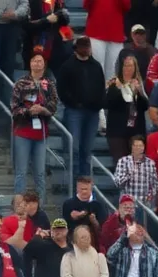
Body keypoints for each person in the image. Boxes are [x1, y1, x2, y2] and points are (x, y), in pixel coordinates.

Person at [58, 37, 106, 180]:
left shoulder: (96, 66)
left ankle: (84, 182)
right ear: (76, 48)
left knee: (87, 150)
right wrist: (73, 103)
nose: (86, 49)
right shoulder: (67, 66)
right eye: (83, 47)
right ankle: (74, 182)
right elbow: (62, 89)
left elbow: (101, 88)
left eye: (87, 46)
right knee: (75, 149)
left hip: (92, 112)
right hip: (74, 111)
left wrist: (98, 104)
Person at [11, 53, 57, 199]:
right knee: (21, 171)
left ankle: (40, 207)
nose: (37, 63)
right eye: (34, 60)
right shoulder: (21, 83)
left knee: (40, 173)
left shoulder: (49, 84)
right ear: (30, 64)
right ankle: (19, 205)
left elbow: (54, 105)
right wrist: (28, 111)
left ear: (44, 64)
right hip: (23, 132)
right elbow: (14, 108)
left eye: (40, 61)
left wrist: (43, 110)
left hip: (41, 133)